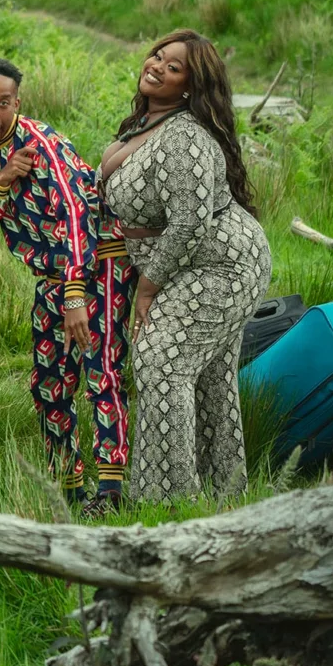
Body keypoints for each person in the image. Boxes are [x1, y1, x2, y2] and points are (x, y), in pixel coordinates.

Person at [97, 30, 271, 502]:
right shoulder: (146, 122)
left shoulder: (184, 137)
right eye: (158, 55)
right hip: (188, 262)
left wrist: (147, 287)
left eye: (173, 67)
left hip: (222, 265)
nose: (156, 66)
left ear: (190, 87)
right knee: (209, 377)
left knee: (160, 363)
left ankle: (167, 500)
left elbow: (190, 223)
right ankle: (223, 494)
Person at [0, 58, 133, 512]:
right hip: (50, 275)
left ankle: (111, 492)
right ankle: (68, 487)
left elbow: (77, 215)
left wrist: (75, 293)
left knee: (101, 370)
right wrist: (2, 181)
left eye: (3, 103)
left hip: (98, 263)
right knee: (49, 381)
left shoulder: (41, 142)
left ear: (17, 103)